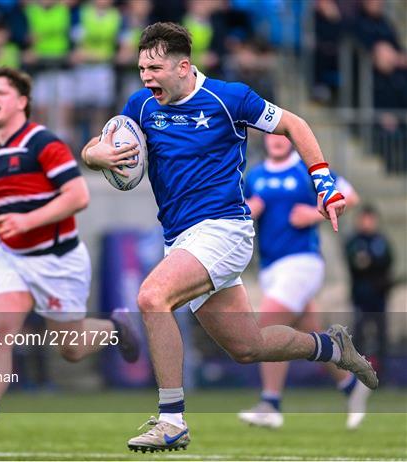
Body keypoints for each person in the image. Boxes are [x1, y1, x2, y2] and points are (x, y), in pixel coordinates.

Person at [81, 22, 378, 453]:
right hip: (181, 239)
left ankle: (171, 419)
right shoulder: (142, 105)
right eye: (141, 67)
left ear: (183, 66)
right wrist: (96, 154)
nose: (145, 76)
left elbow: (294, 124)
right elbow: (97, 145)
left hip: (224, 229)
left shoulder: (229, 97)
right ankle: (332, 347)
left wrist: (323, 183)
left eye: (154, 67)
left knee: (152, 297)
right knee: (248, 347)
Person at [0, 66, 140, 450]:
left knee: (69, 348)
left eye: (1, 93)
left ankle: (116, 328)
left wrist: (27, 219)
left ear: (22, 102)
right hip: (13, 258)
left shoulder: (44, 143)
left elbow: (77, 196)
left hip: (58, 260)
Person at [238, 133, 371, 431]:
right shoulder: (255, 175)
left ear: (291, 140)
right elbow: (238, 213)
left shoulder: (304, 170)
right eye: (270, 136)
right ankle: (351, 385)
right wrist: (249, 211)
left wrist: (315, 213)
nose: (276, 140)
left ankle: (270, 403)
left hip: (303, 263)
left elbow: (350, 195)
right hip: (271, 266)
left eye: (281, 135)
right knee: (311, 334)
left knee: (267, 325)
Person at [345, 204, 394, 379]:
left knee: (381, 335)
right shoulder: (354, 241)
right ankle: (357, 374)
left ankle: (383, 374)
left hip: (379, 297)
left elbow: (386, 262)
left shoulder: (381, 240)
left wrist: (369, 263)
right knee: (359, 335)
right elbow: (356, 264)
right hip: (361, 297)